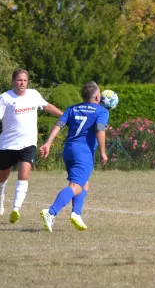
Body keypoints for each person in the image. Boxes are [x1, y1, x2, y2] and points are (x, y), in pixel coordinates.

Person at [0, 68, 63, 223]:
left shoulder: (34, 94)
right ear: (13, 81)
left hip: (28, 144)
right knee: (2, 176)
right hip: (8, 144)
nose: (22, 83)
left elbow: (46, 106)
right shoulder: (5, 97)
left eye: (25, 80)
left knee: (24, 175)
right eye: (19, 80)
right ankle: (0, 198)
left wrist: (65, 115)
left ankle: (16, 209)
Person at [39, 81, 108, 233]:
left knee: (84, 184)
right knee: (75, 186)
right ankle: (51, 212)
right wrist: (103, 152)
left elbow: (58, 125)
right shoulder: (101, 111)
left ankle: (76, 213)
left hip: (69, 150)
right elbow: (100, 131)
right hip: (84, 152)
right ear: (97, 96)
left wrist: (48, 143)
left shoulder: (72, 108)